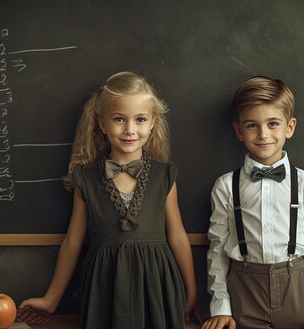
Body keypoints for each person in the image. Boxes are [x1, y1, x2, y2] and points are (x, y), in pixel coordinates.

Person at [16, 72, 198, 328]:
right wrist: (51, 299)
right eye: (119, 119)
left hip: (157, 286)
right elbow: (73, 241)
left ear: (153, 122)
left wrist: (191, 292)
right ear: (102, 123)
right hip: (105, 287)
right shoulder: (85, 178)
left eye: (140, 119)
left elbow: (177, 235)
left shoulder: (164, 175)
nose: (130, 129)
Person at [201, 76, 304, 329]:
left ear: (289, 127)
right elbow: (217, 252)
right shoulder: (225, 186)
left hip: (298, 289)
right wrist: (220, 307)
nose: (263, 134)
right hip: (244, 290)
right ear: (238, 130)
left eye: (273, 124)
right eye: (252, 125)